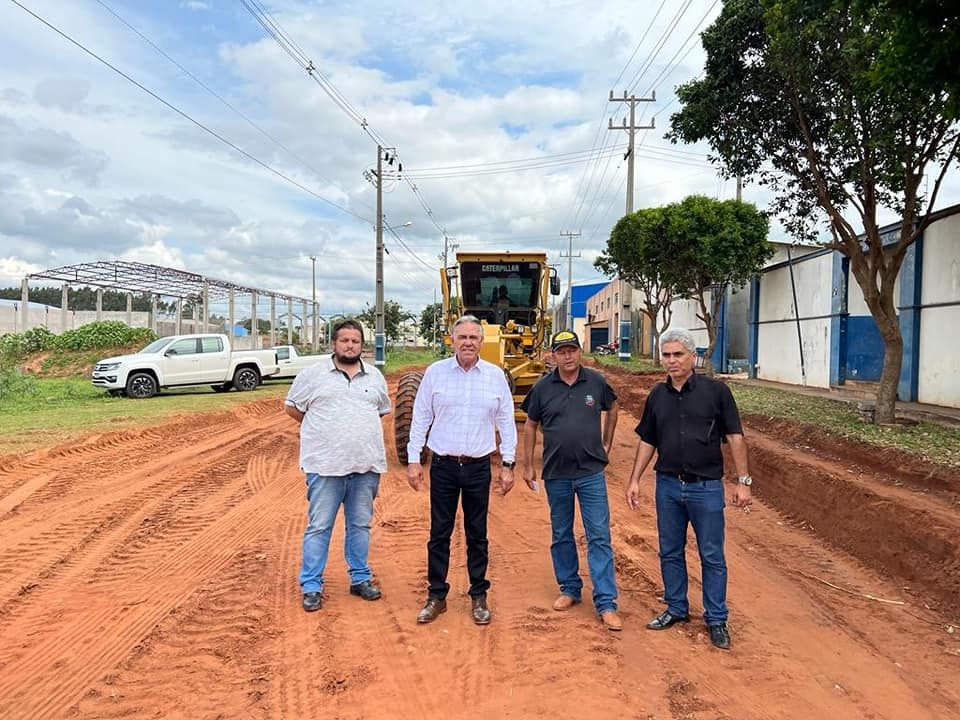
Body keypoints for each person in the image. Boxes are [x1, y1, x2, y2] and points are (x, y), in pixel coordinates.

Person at [625, 327, 753, 650]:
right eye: (666, 355)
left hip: (706, 488)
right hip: (668, 486)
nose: (672, 361)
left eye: (678, 354)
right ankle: (676, 608)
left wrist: (743, 482)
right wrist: (635, 478)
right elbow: (648, 439)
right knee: (669, 550)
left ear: (692, 356)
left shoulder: (716, 392)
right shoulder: (657, 395)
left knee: (711, 554)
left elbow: (735, 436)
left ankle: (717, 618)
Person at [406, 315, 518, 625]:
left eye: (473, 337)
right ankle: (436, 595)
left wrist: (508, 464)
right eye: (462, 337)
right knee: (439, 533)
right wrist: (414, 459)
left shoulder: (495, 377)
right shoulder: (435, 373)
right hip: (443, 465)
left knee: (477, 534)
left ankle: (478, 595)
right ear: (452, 340)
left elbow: (506, 421)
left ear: (482, 341)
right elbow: (420, 417)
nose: (468, 342)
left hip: (478, 467)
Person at [284, 319, 391, 613]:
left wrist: (352, 429)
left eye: (355, 341)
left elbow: (380, 411)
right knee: (319, 526)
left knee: (360, 525)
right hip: (325, 466)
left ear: (362, 345)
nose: (350, 346)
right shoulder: (312, 375)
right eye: (344, 340)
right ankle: (311, 586)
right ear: (334, 343)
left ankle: (360, 578)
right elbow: (293, 408)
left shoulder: (375, 377)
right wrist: (323, 430)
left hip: (365, 466)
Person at [520, 330, 623, 631]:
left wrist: (607, 442)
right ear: (553, 355)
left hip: (591, 473)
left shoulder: (595, 381)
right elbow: (530, 425)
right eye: (561, 351)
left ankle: (606, 602)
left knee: (598, 535)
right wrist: (528, 465)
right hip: (557, 474)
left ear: (579, 352)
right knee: (562, 532)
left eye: (572, 350)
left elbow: (613, 407)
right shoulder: (542, 387)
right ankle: (569, 588)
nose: (567, 356)